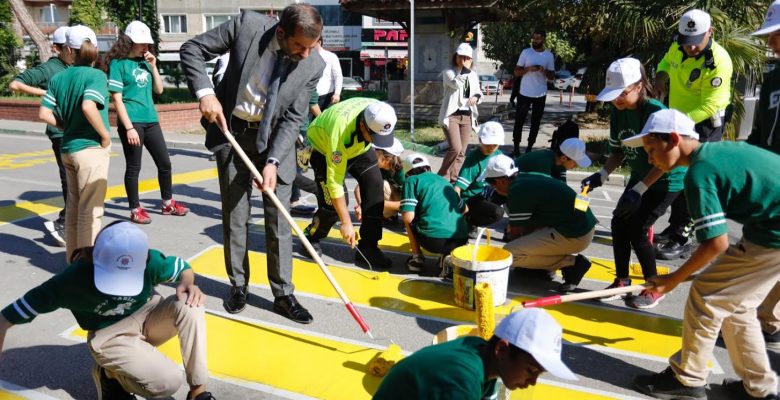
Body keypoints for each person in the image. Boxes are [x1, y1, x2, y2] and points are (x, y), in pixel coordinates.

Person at [179, 5, 325, 321]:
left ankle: (283, 293)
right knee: (235, 215)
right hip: (233, 132)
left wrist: (272, 162)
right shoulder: (247, 27)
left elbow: (293, 118)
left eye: (310, 47)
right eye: (300, 46)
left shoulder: (313, 64)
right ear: (282, 33)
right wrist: (205, 93)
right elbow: (192, 48)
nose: (305, 54)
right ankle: (238, 285)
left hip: (274, 142)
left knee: (279, 220)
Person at [629, 109, 780, 400]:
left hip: (773, 237)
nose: (650, 159)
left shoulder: (700, 174)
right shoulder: (716, 152)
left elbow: (716, 244)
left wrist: (671, 279)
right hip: (768, 232)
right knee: (736, 307)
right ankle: (759, 390)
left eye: (651, 149)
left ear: (673, 139)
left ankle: (687, 379)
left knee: (706, 296)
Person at [0, 222, 214, 400]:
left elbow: (183, 268)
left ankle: (198, 393)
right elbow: (5, 318)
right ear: (94, 258)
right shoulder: (70, 282)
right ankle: (109, 375)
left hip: (147, 316)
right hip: (110, 335)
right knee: (167, 382)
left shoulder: (151, 262)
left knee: (190, 304)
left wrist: (189, 284)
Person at [583, 58, 686, 309]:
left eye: (622, 94)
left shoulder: (656, 113)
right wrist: (603, 174)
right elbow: (619, 149)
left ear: (639, 86)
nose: (617, 100)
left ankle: (653, 287)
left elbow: (665, 161)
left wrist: (639, 190)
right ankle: (622, 281)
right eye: (614, 95)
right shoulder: (619, 112)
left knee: (639, 229)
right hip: (640, 177)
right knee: (619, 222)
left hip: (665, 180)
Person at [653, 9, 733, 259]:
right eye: (686, 43)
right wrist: (660, 77)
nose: (690, 49)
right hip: (680, 120)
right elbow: (666, 62)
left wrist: (676, 121)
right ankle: (674, 226)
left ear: (710, 33)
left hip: (705, 124)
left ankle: (683, 235)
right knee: (679, 174)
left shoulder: (719, 61)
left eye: (695, 43)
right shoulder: (679, 45)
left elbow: (711, 105)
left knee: (695, 179)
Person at [372, 308, 576, 400]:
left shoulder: (479, 350)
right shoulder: (461, 380)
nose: (532, 382)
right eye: (531, 370)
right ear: (502, 349)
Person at [37, 26, 111, 262]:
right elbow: (89, 106)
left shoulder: (59, 77)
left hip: (67, 148)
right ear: (95, 48)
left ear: (69, 49)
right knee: (92, 213)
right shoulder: (96, 76)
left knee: (74, 211)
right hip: (89, 149)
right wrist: (105, 136)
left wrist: (64, 126)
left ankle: (73, 263)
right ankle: (87, 271)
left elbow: (43, 113)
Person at [105, 21, 189, 224]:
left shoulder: (145, 62)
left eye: (147, 43)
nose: (145, 47)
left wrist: (153, 66)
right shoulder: (118, 64)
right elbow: (116, 99)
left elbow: (159, 90)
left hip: (151, 119)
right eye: (141, 43)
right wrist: (129, 128)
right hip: (132, 121)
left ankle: (167, 203)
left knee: (165, 163)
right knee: (134, 167)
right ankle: (135, 209)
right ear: (128, 41)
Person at [302, 98, 397, 270]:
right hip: (324, 150)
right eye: (374, 137)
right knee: (334, 205)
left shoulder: (380, 110)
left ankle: (369, 247)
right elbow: (335, 184)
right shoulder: (340, 135)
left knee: (375, 188)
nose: (377, 143)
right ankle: (311, 236)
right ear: (363, 126)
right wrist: (346, 222)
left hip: (360, 150)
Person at [485, 155, 594, 293]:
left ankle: (571, 264)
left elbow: (516, 235)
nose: (494, 189)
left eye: (492, 185)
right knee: (524, 247)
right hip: (579, 227)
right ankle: (560, 263)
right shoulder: (524, 177)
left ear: (501, 181)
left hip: (575, 234)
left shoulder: (517, 191)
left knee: (509, 254)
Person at [10, 26, 72, 247]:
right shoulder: (49, 68)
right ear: (57, 48)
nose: (73, 51)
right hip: (59, 132)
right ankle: (64, 223)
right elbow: (15, 83)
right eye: (68, 48)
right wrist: (45, 93)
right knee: (69, 181)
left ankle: (66, 220)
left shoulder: (72, 66)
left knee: (77, 182)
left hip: (75, 131)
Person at [750, 1, 780, 352]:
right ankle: (767, 320)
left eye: (776, 34)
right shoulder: (773, 76)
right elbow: (760, 130)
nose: (771, 42)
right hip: (771, 176)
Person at [401, 154, 468, 274]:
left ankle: (417, 258)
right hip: (460, 240)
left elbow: (408, 217)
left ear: (407, 172)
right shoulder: (445, 181)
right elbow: (465, 209)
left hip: (433, 241)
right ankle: (447, 256)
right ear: (428, 168)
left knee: (408, 219)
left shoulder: (411, 180)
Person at [437, 42, 482, 182]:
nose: (463, 60)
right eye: (460, 56)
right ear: (455, 56)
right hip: (452, 116)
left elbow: (479, 92)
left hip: (467, 116)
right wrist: (465, 71)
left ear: (471, 60)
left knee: (462, 152)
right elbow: (456, 84)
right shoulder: (448, 72)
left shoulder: (473, 75)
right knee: (455, 148)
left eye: (466, 57)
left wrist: (476, 97)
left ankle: (453, 180)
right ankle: (442, 176)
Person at [454, 121, 505, 230]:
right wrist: (461, 207)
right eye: (488, 144)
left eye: (494, 145)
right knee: (497, 212)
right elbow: (457, 188)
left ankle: (513, 225)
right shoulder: (474, 158)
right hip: (471, 198)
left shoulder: (499, 155)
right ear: (480, 140)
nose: (491, 148)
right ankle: (468, 221)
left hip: (488, 193)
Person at [512, 30, 555, 155]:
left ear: (543, 40)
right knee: (519, 120)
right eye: (534, 38)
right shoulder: (526, 52)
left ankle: (529, 147)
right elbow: (516, 72)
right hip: (524, 93)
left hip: (540, 94)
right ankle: (516, 147)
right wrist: (528, 69)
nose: (535, 41)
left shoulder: (548, 56)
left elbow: (552, 77)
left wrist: (544, 71)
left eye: (538, 38)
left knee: (535, 122)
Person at [354, 138, 405, 222]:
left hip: (406, 204)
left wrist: (370, 205)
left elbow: (410, 203)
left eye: (375, 152)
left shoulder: (401, 173)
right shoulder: (377, 167)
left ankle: (389, 213)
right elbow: (358, 189)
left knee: (383, 185)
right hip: (395, 203)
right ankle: (389, 214)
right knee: (372, 185)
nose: (371, 153)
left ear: (387, 158)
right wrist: (361, 206)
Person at [515, 137, 591, 182]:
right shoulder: (543, 164)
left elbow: (562, 188)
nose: (576, 166)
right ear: (564, 158)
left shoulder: (557, 162)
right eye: (575, 163)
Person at [314, 37, 343, 111]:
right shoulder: (306, 56)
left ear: (319, 42)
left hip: (326, 96)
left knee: (324, 121)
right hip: (309, 96)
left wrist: (337, 94)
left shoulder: (331, 56)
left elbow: (338, 76)